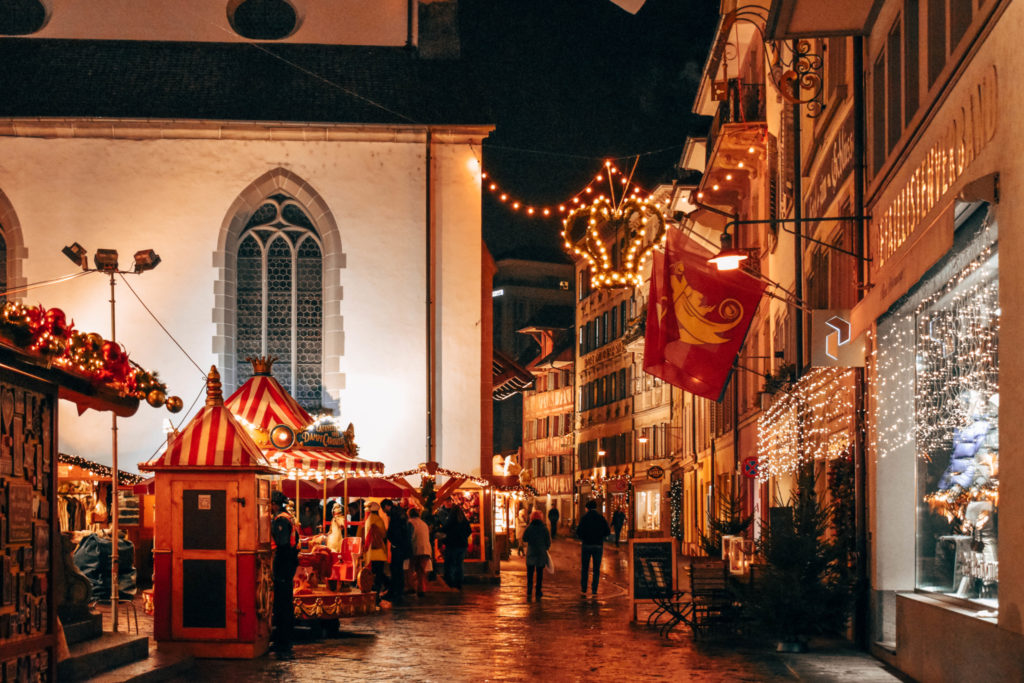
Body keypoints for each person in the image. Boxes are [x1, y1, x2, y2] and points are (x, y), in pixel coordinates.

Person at [270, 490, 300, 659]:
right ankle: (283, 638)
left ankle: (283, 640)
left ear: (274, 503)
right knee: (284, 601)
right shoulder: (287, 516)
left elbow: (281, 543)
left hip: (284, 561)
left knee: (283, 602)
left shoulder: (281, 519)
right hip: (288, 561)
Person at [576, 500, 611, 597]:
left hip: (586, 545)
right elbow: (607, 532)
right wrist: (600, 536)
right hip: (598, 545)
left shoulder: (584, 518)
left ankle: (584, 588)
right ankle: (594, 589)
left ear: (587, 508)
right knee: (596, 569)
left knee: (585, 568)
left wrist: (583, 537)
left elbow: (578, 532)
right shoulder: (601, 518)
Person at [382, 499, 411, 605]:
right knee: (398, 569)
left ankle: (395, 592)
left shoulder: (395, 515)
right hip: (402, 546)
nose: (384, 512)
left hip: (398, 546)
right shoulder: (400, 512)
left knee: (395, 569)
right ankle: (398, 591)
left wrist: (393, 541)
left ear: (387, 506)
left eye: (384, 509)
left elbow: (394, 531)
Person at [362, 501, 388, 603]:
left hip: (368, 554)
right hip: (380, 553)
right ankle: (377, 595)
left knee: (369, 576)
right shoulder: (379, 520)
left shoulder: (366, 520)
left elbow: (360, 533)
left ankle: (369, 594)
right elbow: (384, 535)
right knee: (379, 575)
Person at [522, 510, 551, 600]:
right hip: (540, 552)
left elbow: (524, 538)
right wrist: (545, 548)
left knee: (530, 573)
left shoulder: (529, 527)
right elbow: (548, 541)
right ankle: (538, 591)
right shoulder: (544, 528)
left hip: (531, 551)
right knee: (539, 573)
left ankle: (529, 590)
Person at [441, 505, 471, 589]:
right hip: (462, 545)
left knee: (450, 563)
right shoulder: (464, 521)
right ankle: (459, 582)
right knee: (459, 564)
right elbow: (469, 531)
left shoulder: (451, 520)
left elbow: (444, 529)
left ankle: (450, 582)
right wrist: (463, 537)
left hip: (452, 545)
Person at [408, 507, 432, 597]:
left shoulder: (410, 523)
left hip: (415, 549)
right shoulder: (424, 524)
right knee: (421, 571)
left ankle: (411, 587)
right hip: (426, 549)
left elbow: (411, 537)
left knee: (411, 569)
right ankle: (421, 589)